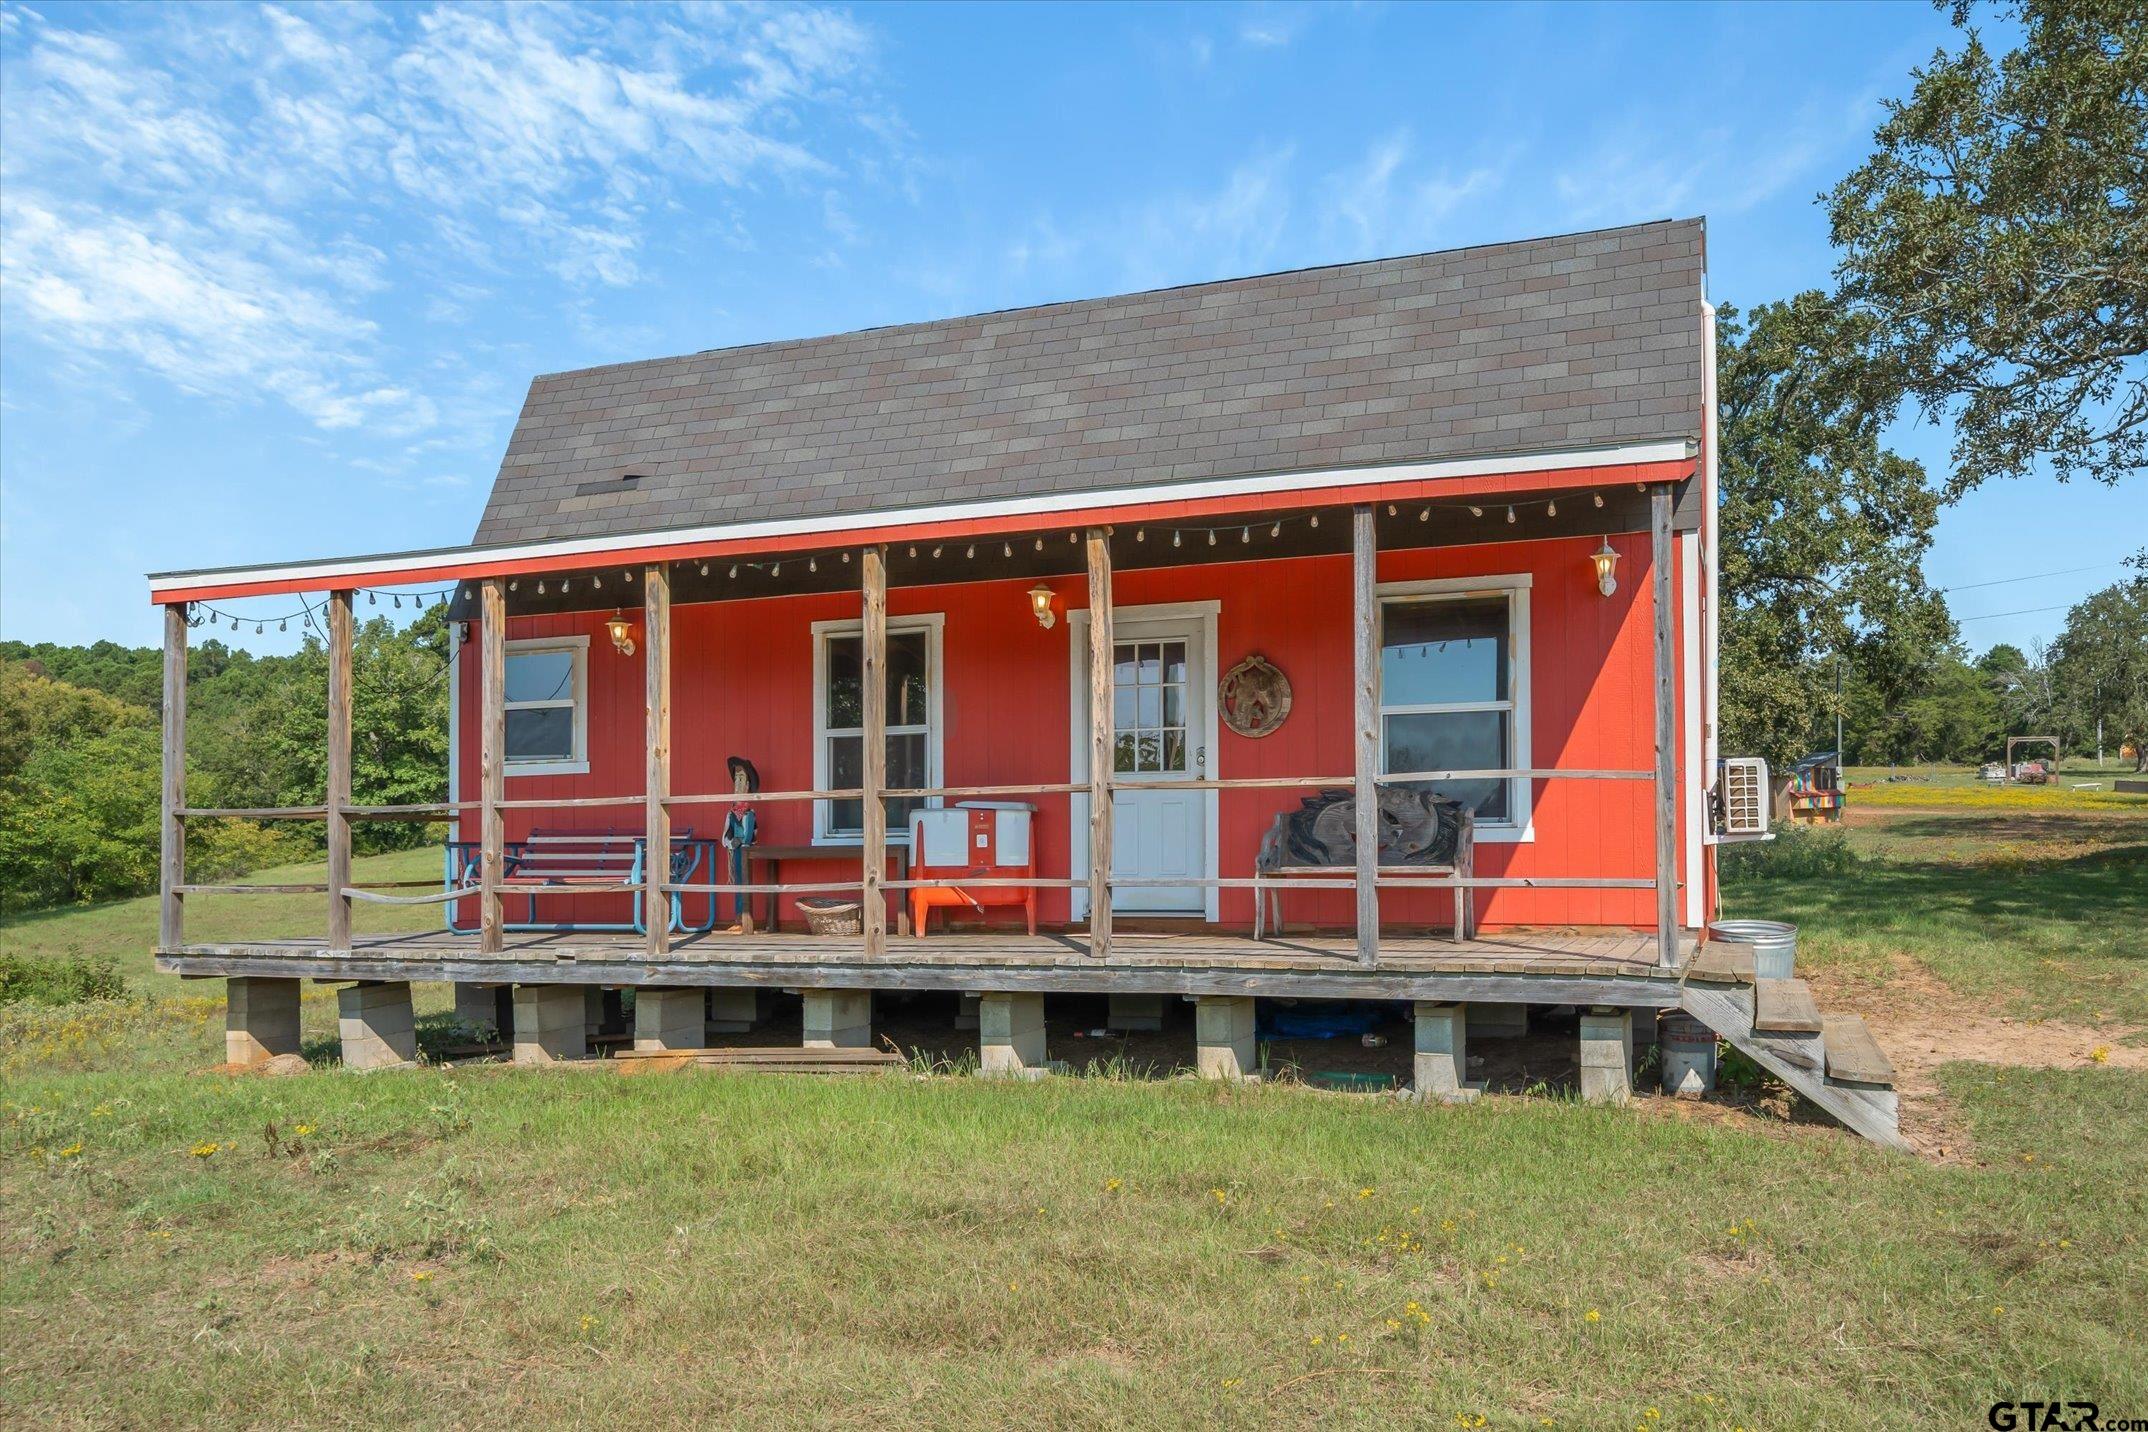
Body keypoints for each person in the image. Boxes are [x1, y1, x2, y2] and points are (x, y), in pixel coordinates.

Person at [720, 756, 759, 932]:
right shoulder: (732, 813)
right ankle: (737, 919)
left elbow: (750, 833)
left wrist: (742, 841)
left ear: (748, 785)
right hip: (734, 850)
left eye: (741, 779)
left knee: (744, 883)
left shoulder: (749, 813)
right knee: (737, 883)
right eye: (736, 779)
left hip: (744, 850)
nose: (738, 782)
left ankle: (745, 919)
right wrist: (729, 842)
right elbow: (726, 832)